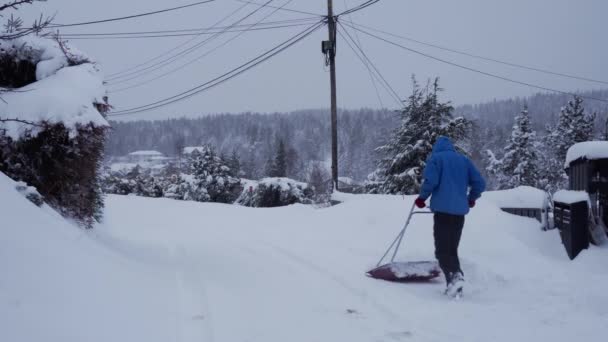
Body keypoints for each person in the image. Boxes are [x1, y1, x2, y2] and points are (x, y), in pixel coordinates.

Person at [414, 136, 486, 297]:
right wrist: (471, 198)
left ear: (437, 147)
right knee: (451, 249)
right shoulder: (464, 161)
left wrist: (422, 198)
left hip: (443, 212)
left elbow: (430, 181)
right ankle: (455, 284)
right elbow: (480, 183)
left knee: (442, 251)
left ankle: (455, 277)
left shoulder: (436, 159)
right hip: (459, 213)